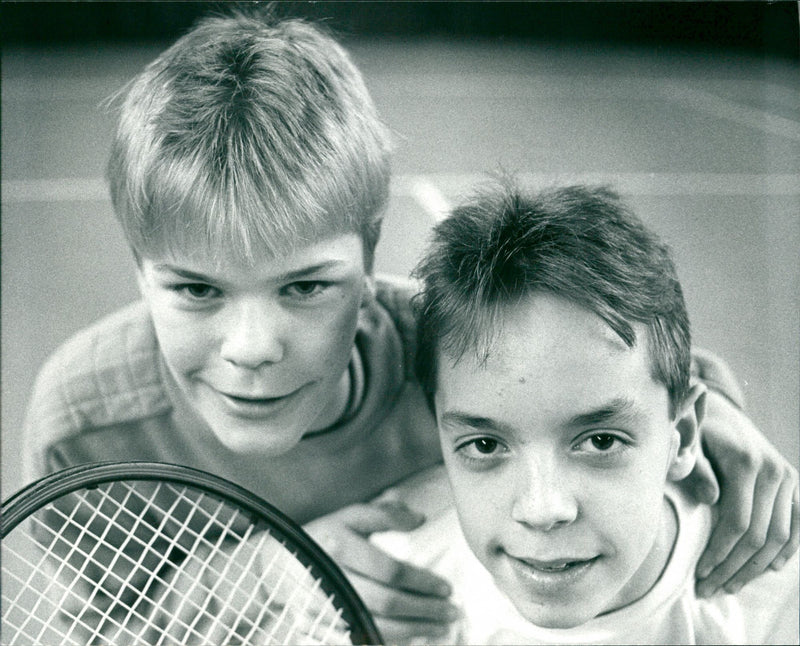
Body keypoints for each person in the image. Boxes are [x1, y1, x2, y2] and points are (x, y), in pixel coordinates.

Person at [19, 7, 797, 643]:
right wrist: (282, 571)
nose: (253, 349)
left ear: (367, 266)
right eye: (195, 290)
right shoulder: (83, 426)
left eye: (305, 287)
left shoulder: (445, 350)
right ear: (137, 273)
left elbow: (603, 362)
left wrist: (717, 409)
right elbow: (103, 629)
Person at [383, 180, 799, 643]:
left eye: (601, 440)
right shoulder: (394, 591)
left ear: (681, 434)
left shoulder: (779, 607)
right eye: (485, 445)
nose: (543, 510)